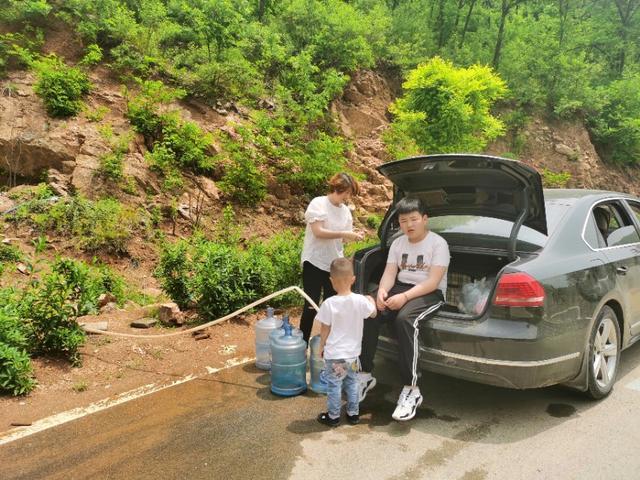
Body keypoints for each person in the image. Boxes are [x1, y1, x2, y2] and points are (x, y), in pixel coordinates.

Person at [359, 197, 450, 422]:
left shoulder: (438, 244)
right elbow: (390, 273)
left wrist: (405, 297)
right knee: (368, 310)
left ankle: (412, 389)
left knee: (404, 320)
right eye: (403, 221)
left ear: (424, 219)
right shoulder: (399, 243)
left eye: (413, 219)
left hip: (430, 292)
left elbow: (433, 281)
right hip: (400, 287)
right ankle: (364, 375)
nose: (409, 225)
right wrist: (381, 292)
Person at [299, 172, 362, 344]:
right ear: (338, 188)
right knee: (311, 305)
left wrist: (353, 236)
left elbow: (343, 238)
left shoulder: (346, 212)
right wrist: (343, 233)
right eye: (347, 192)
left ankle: (327, 346)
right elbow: (318, 232)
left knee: (332, 307)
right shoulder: (319, 203)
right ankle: (302, 346)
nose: (348, 197)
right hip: (314, 261)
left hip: (333, 265)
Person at [316, 257, 377, 427]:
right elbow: (373, 314)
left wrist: (321, 347)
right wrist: (370, 299)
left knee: (334, 386)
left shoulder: (329, 303)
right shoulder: (360, 301)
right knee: (352, 383)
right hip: (353, 357)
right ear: (353, 280)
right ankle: (353, 414)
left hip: (336, 357)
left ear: (331, 281)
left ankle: (333, 416)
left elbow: (324, 329)